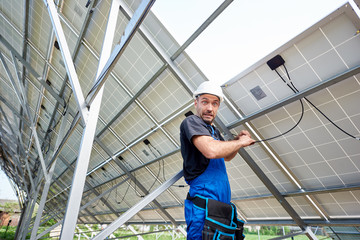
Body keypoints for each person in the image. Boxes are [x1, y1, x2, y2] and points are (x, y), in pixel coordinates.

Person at [180, 81, 255, 239]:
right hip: (203, 207)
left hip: (220, 207)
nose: (209, 108)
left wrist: (236, 141)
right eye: (205, 102)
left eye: (215, 104)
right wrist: (239, 142)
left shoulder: (213, 131)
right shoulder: (191, 122)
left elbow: (227, 156)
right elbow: (211, 150)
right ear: (196, 102)